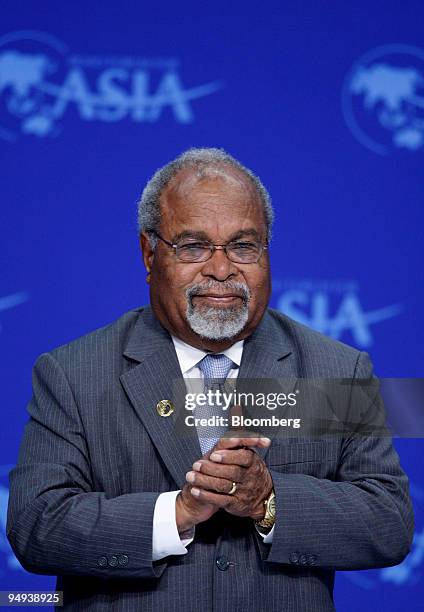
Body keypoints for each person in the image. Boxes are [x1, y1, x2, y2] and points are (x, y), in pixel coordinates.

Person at [7, 148, 413, 611]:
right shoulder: (74, 374)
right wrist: (177, 513)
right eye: (193, 246)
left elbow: (389, 522)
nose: (221, 270)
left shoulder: (335, 369)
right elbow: (36, 525)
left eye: (243, 246)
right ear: (148, 253)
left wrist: (268, 500)